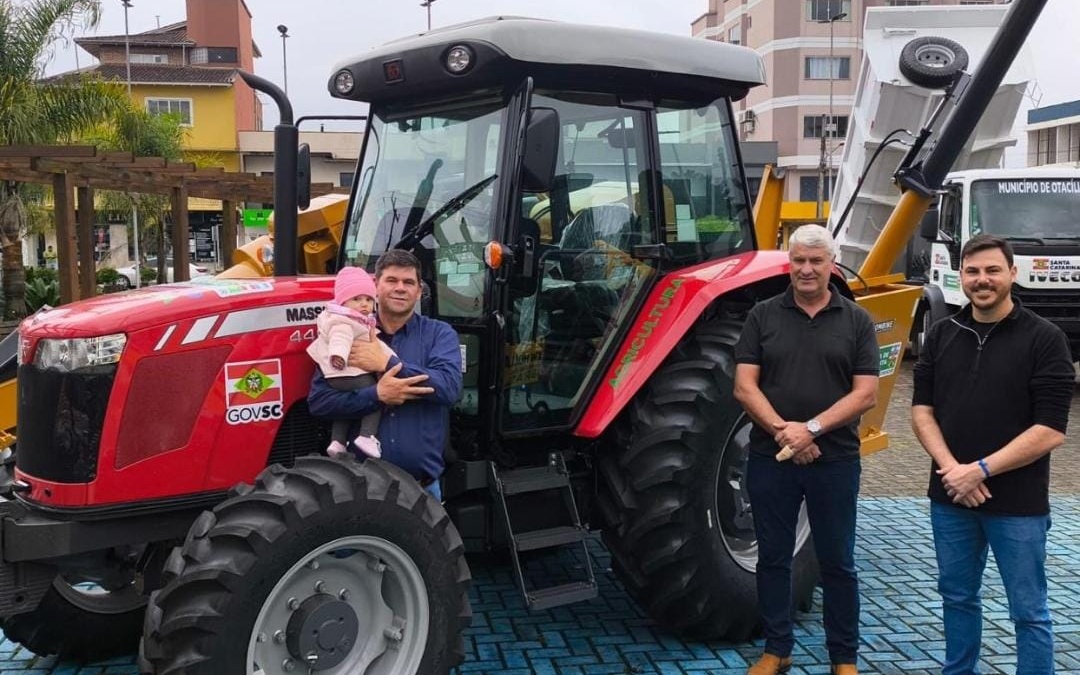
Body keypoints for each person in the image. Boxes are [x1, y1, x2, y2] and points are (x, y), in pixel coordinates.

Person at [911, 234, 1073, 675]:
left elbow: (1050, 430)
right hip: (951, 499)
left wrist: (980, 470)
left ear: (1012, 275)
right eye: (973, 271)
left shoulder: (1046, 339)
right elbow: (922, 411)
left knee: (1029, 611)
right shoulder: (942, 333)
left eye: (992, 270)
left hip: (1018, 504)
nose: (982, 280)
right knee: (957, 598)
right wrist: (953, 472)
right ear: (960, 276)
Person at [733, 224, 879, 675]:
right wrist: (785, 433)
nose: (807, 269)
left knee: (838, 561)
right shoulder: (762, 315)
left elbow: (865, 394)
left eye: (816, 261)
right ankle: (777, 649)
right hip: (771, 459)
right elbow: (743, 386)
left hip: (834, 462)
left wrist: (810, 430)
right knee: (772, 558)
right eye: (799, 260)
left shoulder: (856, 320)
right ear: (789, 263)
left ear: (831, 265)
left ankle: (844, 658)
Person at [308, 249, 462, 500]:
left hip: (422, 490)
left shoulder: (440, 334)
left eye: (409, 282)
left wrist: (387, 362)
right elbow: (319, 403)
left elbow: (449, 388)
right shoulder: (344, 333)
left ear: (419, 292)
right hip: (357, 491)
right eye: (391, 280)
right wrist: (376, 395)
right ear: (376, 288)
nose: (400, 288)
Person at [306, 266, 395, 460]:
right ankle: (366, 436)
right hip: (344, 371)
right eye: (357, 299)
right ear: (343, 301)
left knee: (345, 406)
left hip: (338, 376)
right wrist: (338, 356)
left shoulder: (356, 319)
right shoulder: (345, 321)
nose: (364, 304)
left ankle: (337, 442)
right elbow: (341, 339)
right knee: (376, 393)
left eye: (369, 299)